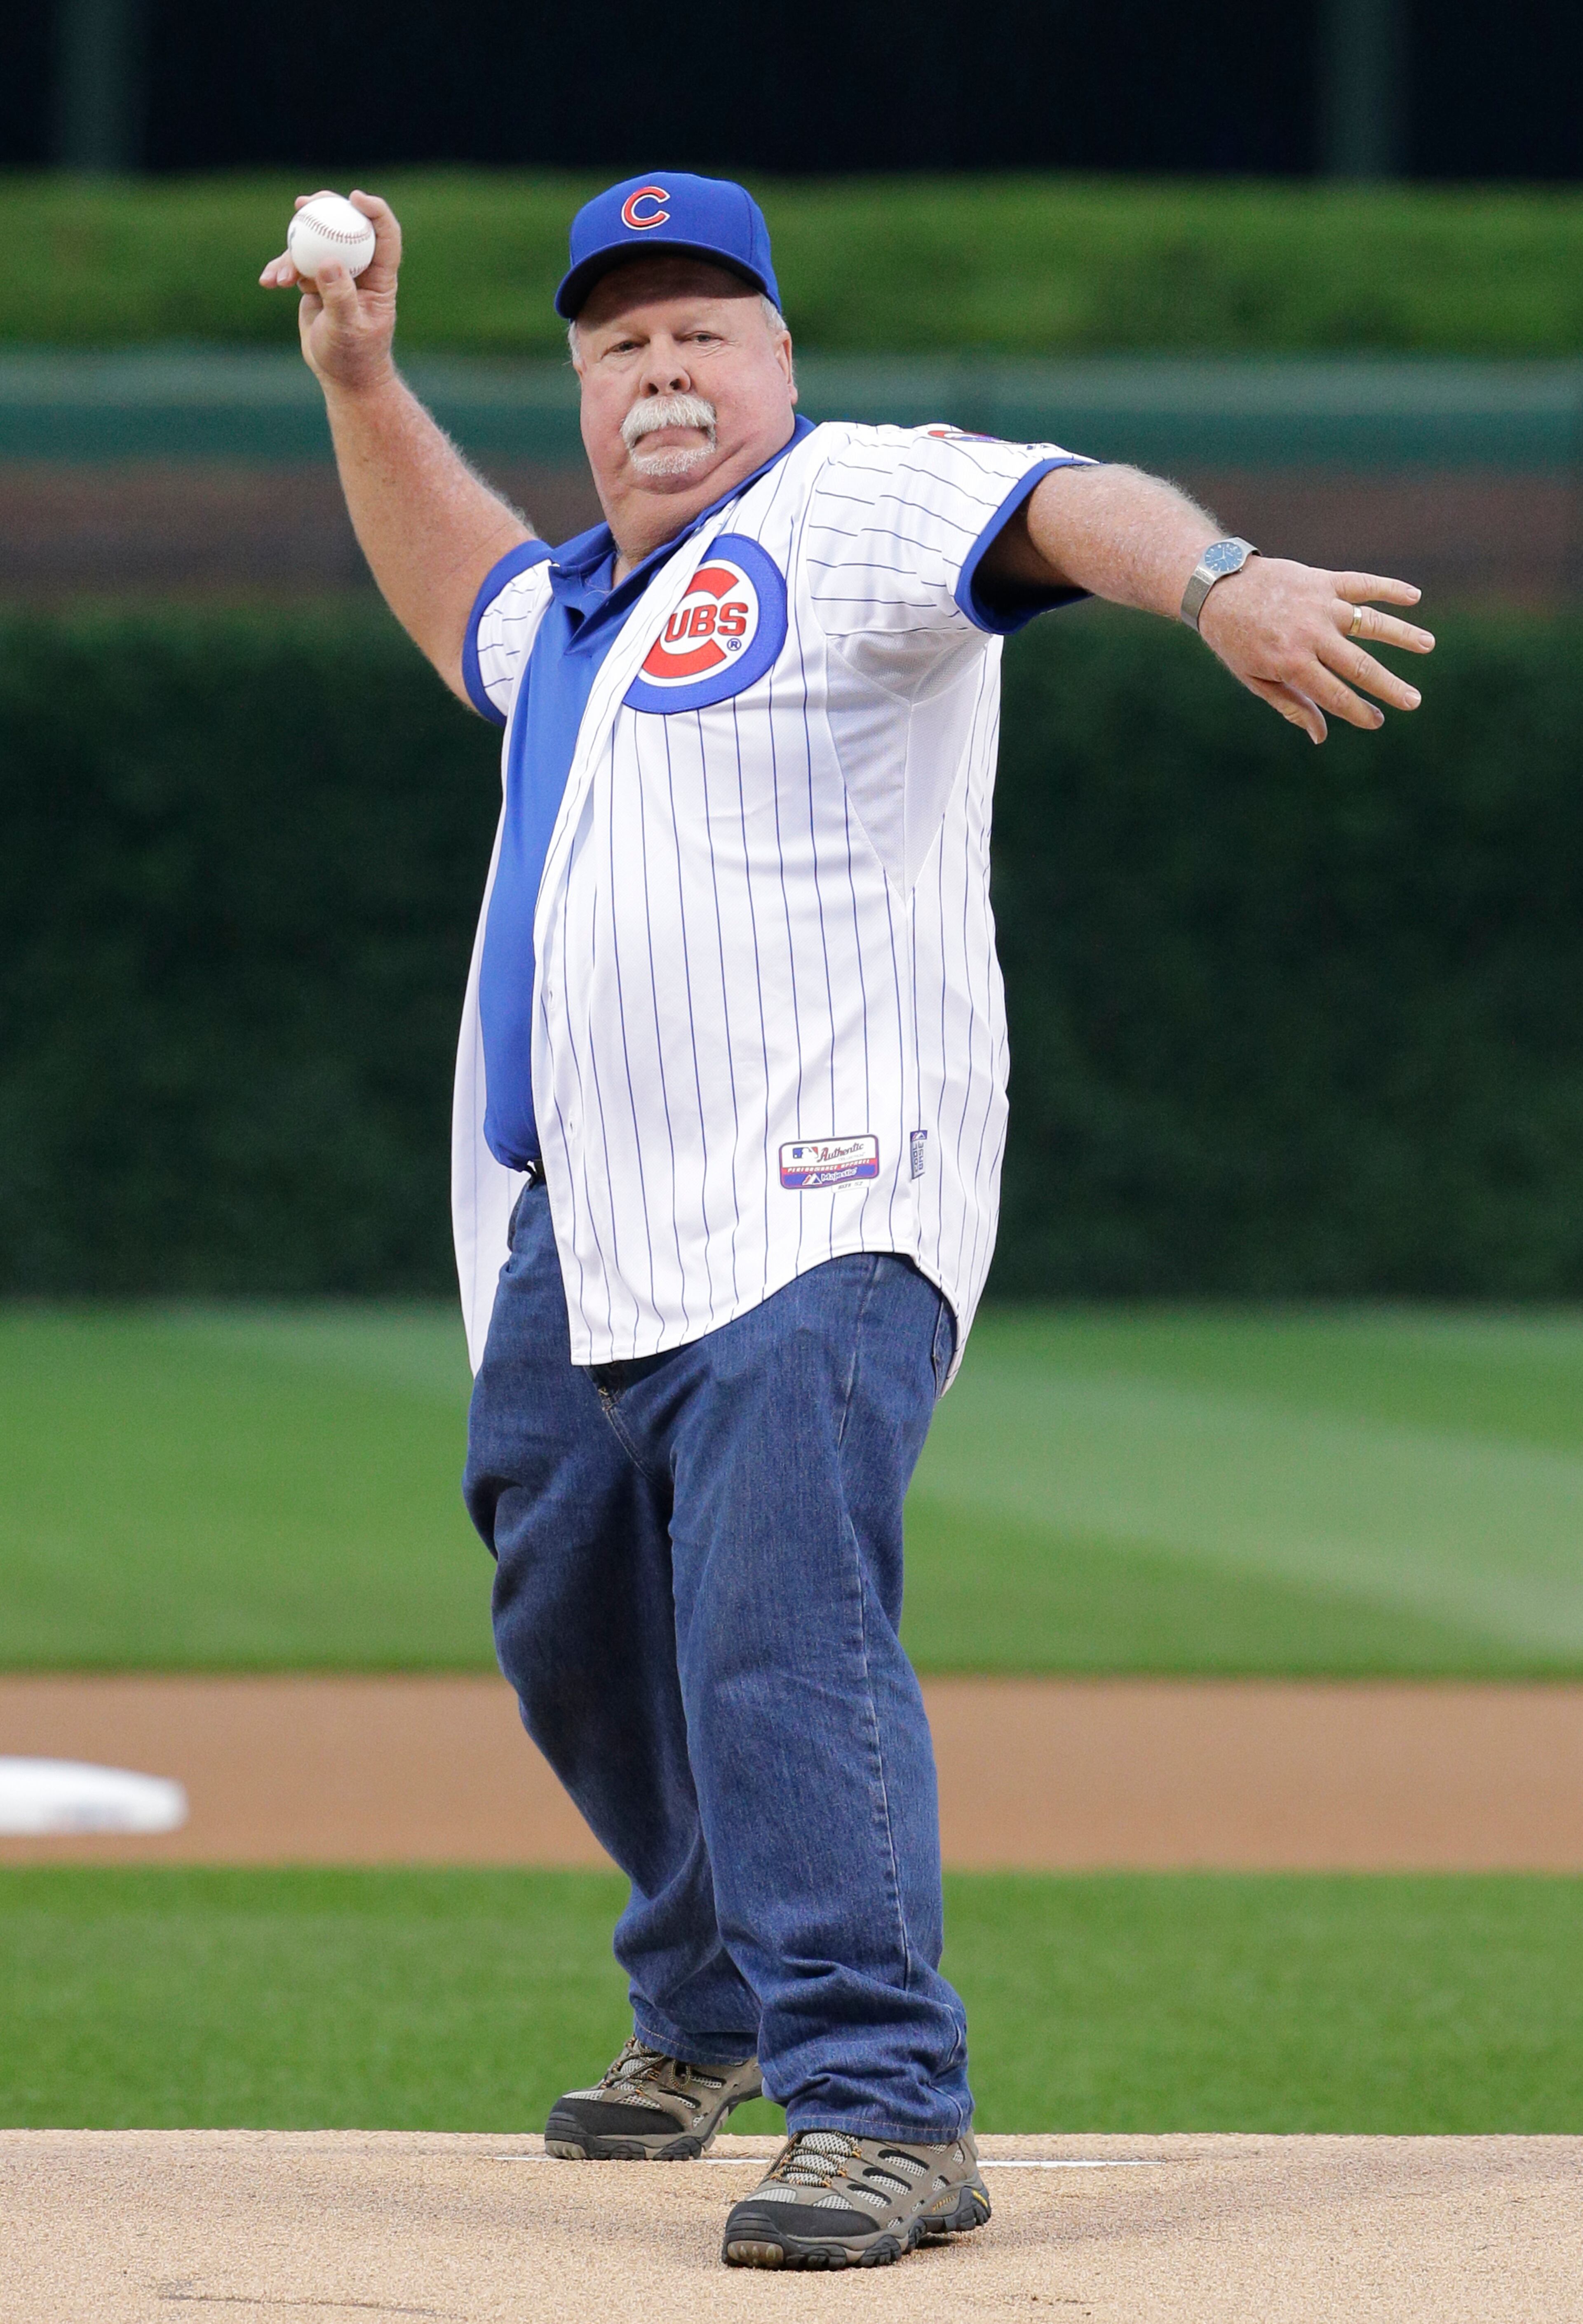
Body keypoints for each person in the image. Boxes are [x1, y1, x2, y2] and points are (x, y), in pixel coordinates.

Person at [262, 172, 1433, 2272]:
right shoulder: (581, 619)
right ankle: (708, 1991)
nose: (664, 371)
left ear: (778, 358)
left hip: (829, 1192)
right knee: (562, 1596)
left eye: (704, 330)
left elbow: (1062, 502)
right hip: (590, 1217)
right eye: (622, 343)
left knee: (776, 1617)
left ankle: (884, 2101)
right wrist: (360, 378)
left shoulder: (857, 502)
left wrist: (1222, 579)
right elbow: (460, 592)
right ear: (585, 392)